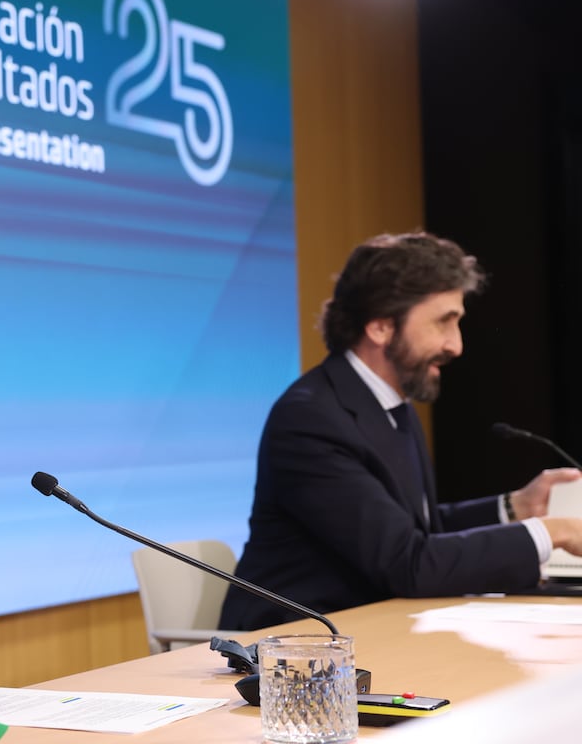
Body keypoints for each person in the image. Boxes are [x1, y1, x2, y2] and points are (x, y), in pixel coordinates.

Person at [219, 231, 582, 630]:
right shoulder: (310, 419)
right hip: (291, 644)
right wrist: (554, 532)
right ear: (380, 327)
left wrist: (515, 508)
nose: (456, 345)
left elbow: (415, 531)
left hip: (371, 629)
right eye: (444, 322)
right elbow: (408, 563)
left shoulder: (391, 405)